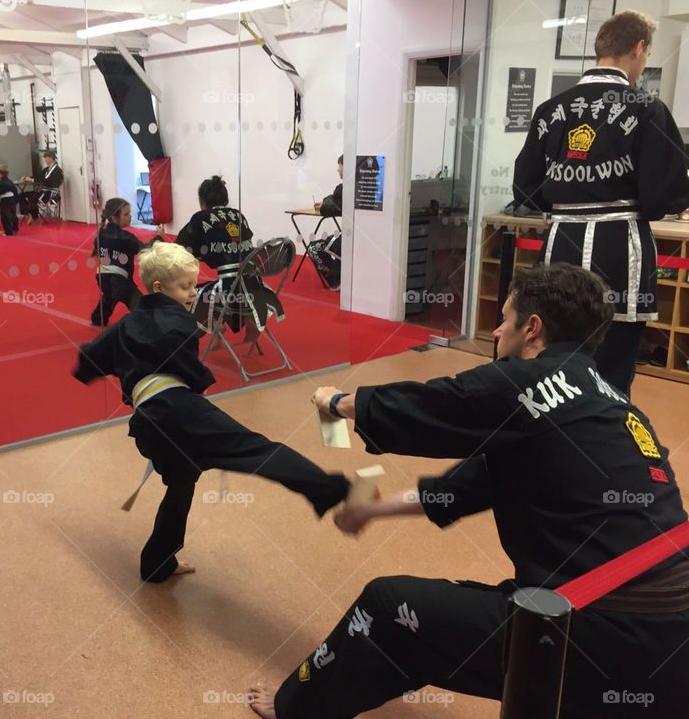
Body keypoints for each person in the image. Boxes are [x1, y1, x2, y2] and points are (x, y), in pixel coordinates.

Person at [246, 263, 689, 719]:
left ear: (532, 329)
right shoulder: (609, 402)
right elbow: (464, 487)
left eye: (505, 319)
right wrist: (370, 512)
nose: (496, 330)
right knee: (460, 614)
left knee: (386, 606)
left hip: (611, 633)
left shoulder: (532, 381)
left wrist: (336, 403)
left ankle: (295, 708)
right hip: (671, 638)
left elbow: (436, 402)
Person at [73, 242, 375, 583]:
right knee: (259, 450)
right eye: (184, 287)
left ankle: (157, 562)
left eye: (192, 285)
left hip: (147, 423)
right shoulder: (177, 321)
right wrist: (197, 382)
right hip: (178, 411)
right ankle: (337, 491)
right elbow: (185, 366)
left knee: (182, 482)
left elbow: (88, 360)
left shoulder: (125, 326)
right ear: (159, 288)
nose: (191, 294)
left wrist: (102, 369)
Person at [513, 10, 689, 396]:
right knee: (612, 364)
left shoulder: (550, 110)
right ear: (639, 48)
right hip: (619, 251)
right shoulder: (648, 108)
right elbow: (667, 193)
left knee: (551, 353)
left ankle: (550, 437)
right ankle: (600, 438)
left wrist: (565, 201)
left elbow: (524, 189)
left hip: (560, 245)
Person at [177, 175, 283, 335]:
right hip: (255, 287)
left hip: (229, 290)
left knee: (187, 294)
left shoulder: (200, 218)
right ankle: (243, 322)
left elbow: (182, 248)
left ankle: (209, 330)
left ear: (202, 200)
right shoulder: (238, 215)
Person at [89, 197, 164, 327]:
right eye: (126, 214)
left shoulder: (101, 234)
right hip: (120, 281)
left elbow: (97, 252)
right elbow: (146, 250)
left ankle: (98, 317)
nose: (130, 216)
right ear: (114, 218)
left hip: (102, 278)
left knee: (109, 296)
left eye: (129, 213)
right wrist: (159, 236)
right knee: (142, 308)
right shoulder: (126, 238)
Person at [309, 154, 344, 290]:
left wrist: (325, 203)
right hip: (354, 236)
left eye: (339, 166)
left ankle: (336, 280)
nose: (338, 169)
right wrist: (325, 203)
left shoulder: (345, 187)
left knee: (313, 247)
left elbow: (332, 204)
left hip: (349, 239)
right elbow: (333, 201)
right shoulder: (354, 186)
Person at [21, 150, 63, 223]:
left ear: (51, 158)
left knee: (31, 198)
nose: (45, 160)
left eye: (46, 158)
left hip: (50, 193)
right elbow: (38, 176)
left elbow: (50, 182)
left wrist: (32, 180)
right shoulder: (47, 169)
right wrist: (26, 178)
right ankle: (31, 215)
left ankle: (33, 216)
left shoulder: (57, 170)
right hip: (43, 191)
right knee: (22, 196)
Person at [0, 165, 20, 236]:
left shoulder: (0, 183)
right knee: (13, 214)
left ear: (0, 174)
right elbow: (15, 191)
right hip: (12, 199)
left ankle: (8, 231)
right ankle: (15, 228)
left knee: (5, 216)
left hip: (5, 201)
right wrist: (16, 200)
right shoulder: (10, 182)